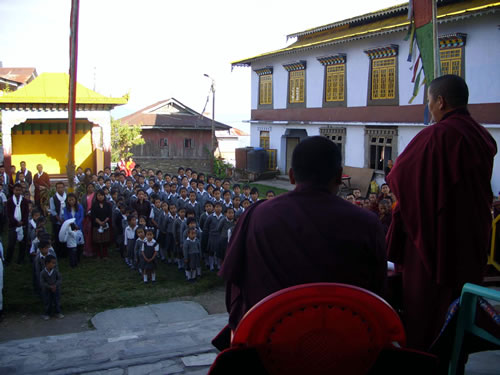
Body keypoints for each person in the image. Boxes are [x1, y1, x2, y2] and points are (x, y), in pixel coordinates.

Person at [220, 136, 386, 332]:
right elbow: (378, 291)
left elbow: (234, 281)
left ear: (291, 176)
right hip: (345, 341)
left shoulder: (257, 215)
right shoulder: (367, 223)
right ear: (339, 176)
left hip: (272, 338)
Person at [386, 75, 497, 350]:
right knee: (462, 306)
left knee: (428, 313)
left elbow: (399, 177)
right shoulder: (482, 135)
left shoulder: (436, 136)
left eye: (429, 102)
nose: (430, 109)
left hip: (435, 238)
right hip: (471, 237)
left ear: (441, 101)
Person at [5, 183, 29, 265]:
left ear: (21, 191)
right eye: (16, 190)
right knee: (11, 244)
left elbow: (26, 213)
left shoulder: (25, 201)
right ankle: (8, 260)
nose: (18, 192)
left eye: (19, 190)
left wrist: (22, 221)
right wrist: (16, 222)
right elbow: (9, 214)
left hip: (23, 224)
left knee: (22, 243)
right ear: (13, 190)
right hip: (13, 225)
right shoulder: (9, 201)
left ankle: (21, 259)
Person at [40, 254, 63, 320]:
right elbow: (42, 282)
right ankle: (47, 313)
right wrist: (49, 287)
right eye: (52, 263)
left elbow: (59, 279)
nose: (54, 264)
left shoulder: (55, 271)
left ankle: (58, 312)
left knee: (56, 301)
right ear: (47, 263)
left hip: (56, 289)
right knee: (47, 301)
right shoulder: (43, 273)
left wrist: (55, 285)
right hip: (47, 290)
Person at [90, 190, 112, 259]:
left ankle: (105, 254)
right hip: (97, 225)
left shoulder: (108, 204)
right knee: (97, 240)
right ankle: (99, 254)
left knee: (105, 240)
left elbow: (109, 214)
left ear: (104, 196)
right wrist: (99, 222)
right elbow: (93, 215)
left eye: (102, 195)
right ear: (96, 196)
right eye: (99, 195)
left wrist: (104, 222)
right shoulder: (94, 205)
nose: (100, 197)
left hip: (105, 225)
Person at [49, 182, 67, 257]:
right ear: (56, 189)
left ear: (64, 188)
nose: (60, 189)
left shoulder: (67, 196)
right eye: (58, 187)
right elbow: (53, 210)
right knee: (58, 236)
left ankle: (65, 252)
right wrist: (59, 219)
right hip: (57, 220)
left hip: (66, 220)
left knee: (66, 236)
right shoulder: (53, 198)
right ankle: (58, 253)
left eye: (61, 187)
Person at [81, 184, 96, 257]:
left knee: (92, 233)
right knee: (86, 232)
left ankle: (93, 250)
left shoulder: (96, 196)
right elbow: (82, 206)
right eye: (89, 187)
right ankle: (86, 249)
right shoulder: (84, 196)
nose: (90, 189)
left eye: (92, 187)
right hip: (85, 216)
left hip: (93, 216)